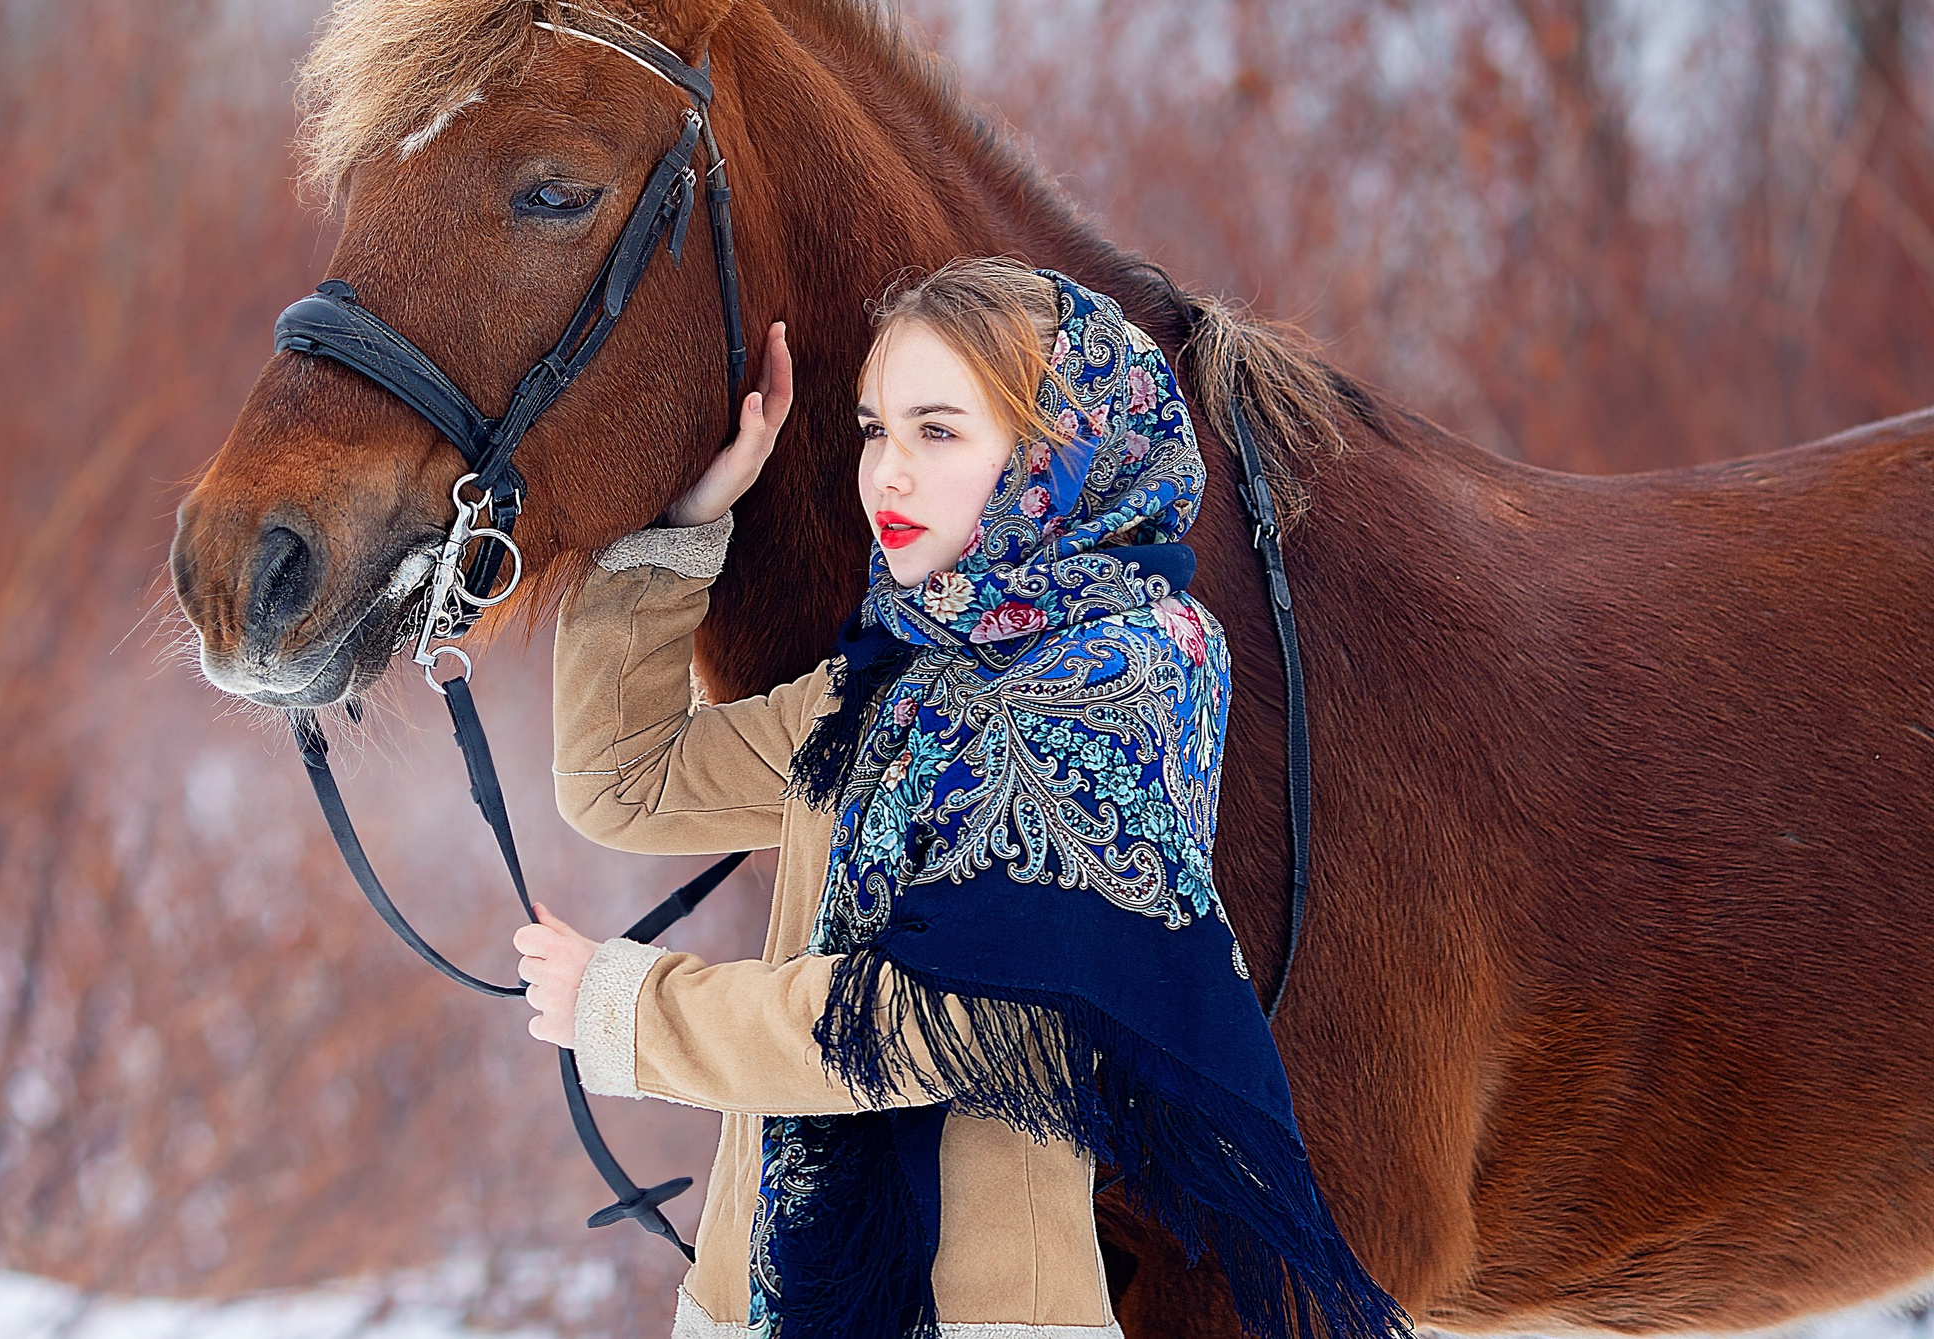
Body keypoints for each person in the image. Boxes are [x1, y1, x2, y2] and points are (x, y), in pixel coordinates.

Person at [513, 259, 1407, 1339]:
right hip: (755, 1303)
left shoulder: (1119, 679)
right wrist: (685, 527)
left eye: (937, 432)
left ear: (1056, 453)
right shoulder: (893, 675)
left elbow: (937, 1024)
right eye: (873, 428)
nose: (886, 474)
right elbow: (625, 779)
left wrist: (630, 1010)